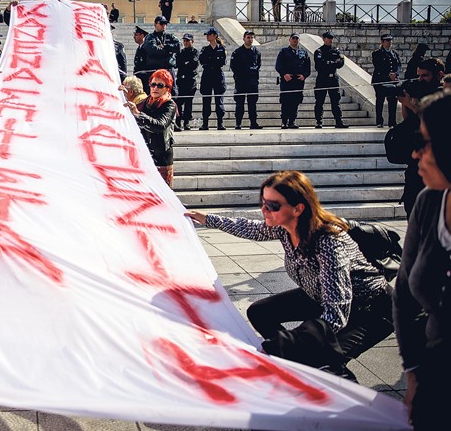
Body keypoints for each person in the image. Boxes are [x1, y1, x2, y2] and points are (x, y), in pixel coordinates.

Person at [186, 170, 393, 381]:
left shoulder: (328, 241)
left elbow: (337, 310)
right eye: (263, 202)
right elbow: (251, 229)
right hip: (321, 296)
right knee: (261, 312)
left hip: (370, 309)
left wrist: (294, 341)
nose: (264, 210)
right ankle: (298, 364)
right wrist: (207, 219)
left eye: (273, 206)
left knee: (320, 360)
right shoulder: (283, 228)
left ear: (298, 208)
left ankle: (352, 400)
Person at [392, 90, 451, 431]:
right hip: (434, 369)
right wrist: (413, 371)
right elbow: (403, 293)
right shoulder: (429, 203)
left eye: (425, 142)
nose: (415, 153)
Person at [395, 58, 444, 218]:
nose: (421, 80)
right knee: (412, 205)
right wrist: (404, 102)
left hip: (436, 160)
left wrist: (410, 104)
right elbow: (408, 120)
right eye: (419, 76)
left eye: (425, 76)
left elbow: (431, 120)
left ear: (439, 75)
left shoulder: (441, 96)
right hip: (417, 162)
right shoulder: (421, 90)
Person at [124, 69, 176, 187]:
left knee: (164, 195)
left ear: (167, 88)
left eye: (160, 85)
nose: (155, 88)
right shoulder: (146, 101)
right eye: (153, 84)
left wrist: (138, 114)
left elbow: (160, 125)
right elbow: (131, 110)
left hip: (162, 156)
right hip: (145, 154)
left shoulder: (169, 105)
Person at [313, 31, 349, 129]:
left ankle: (338, 121)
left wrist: (329, 63)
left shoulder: (335, 51)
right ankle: (319, 121)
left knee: (335, 101)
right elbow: (319, 66)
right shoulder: (319, 51)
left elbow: (340, 63)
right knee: (320, 101)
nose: (330, 40)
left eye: (331, 38)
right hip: (322, 78)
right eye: (328, 38)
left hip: (333, 78)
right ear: (324, 39)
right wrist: (333, 63)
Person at [275, 32, 311, 129]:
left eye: (297, 38)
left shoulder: (303, 52)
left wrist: (304, 75)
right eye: (293, 38)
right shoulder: (284, 51)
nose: (295, 40)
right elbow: (278, 65)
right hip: (287, 81)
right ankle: (284, 122)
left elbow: (307, 67)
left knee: (296, 101)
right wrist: (284, 74)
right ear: (289, 40)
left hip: (298, 81)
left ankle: (292, 121)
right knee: (285, 101)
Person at [230, 30, 263, 130]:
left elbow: (258, 65)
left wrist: (252, 72)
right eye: (248, 37)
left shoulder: (257, 52)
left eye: (252, 38)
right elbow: (233, 66)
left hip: (252, 82)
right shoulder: (237, 52)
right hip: (241, 81)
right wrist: (243, 73)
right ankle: (238, 123)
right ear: (244, 38)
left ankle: (253, 123)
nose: (250, 40)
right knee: (239, 104)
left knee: (252, 104)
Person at [138, 16, 180, 93]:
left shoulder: (170, 36)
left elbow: (178, 46)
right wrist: (168, 51)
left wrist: (165, 46)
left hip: (168, 69)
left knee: (172, 91)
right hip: (155, 69)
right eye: (161, 24)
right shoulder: (150, 37)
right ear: (155, 24)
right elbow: (152, 50)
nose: (164, 26)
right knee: (155, 91)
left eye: (165, 24)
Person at [198, 27, 227, 131]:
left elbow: (222, 62)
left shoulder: (221, 48)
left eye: (209, 34)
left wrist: (211, 61)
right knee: (206, 100)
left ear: (215, 36)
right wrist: (213, 60)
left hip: (218, 75)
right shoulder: (204, 49)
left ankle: (220, 122)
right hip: (207, 75)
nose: (207, 36)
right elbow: (202, 60)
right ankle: (205, 123)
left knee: (219, 100)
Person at [371, 33, 402, 128]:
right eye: (387, 41)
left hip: (392, 81)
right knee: (380, 99)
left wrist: (395, 74)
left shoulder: (394, 53)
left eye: (390, 41)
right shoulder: (376, 53)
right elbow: (378, 66)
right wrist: (388, 75)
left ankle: (392, 121)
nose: (389, 43)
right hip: (380, 80)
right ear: (382, 42)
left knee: (392, 100)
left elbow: (398, 65)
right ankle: (379, 121)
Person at [174, 33, 199, 131]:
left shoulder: (195, 52)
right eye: (184, 41)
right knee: (179, 102)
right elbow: (177, 64)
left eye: (188, 41)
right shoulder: (181, 52)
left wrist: (184, 64)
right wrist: (185, 63)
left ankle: (187, 122)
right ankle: (178, 121)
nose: (186, 42)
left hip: (190, 80)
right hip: (181, 79)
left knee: (188, 102)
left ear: (192, 41)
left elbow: (193, 64)